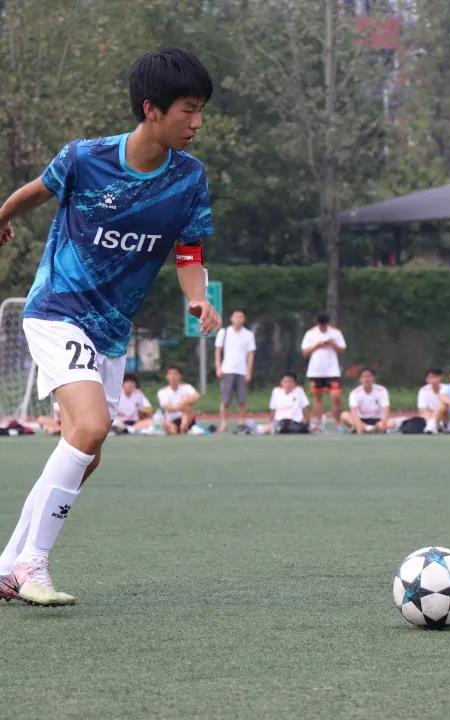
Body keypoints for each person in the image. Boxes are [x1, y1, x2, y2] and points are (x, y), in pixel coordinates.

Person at [0, 48, 220, 606]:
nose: (197, 123)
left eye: (201, 110)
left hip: (111, 332)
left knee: (86, 450)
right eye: (188, 110)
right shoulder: (85, 157)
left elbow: (189, 252)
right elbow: (38, 190)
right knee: (92, 426)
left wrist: (197, 298)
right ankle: (31, 566)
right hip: (57, 311)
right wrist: (1, 217)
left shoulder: (189, 179)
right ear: (151, 108)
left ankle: (5, 566)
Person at [301, 313, 347, 428]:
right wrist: (317, 345)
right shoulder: (310, 333)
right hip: (315, 371)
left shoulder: (336, 333)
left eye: (324, 325)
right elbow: (305, 353)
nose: (322, 327)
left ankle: (337, 424)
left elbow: (342, 350)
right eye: (321, 325)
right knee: (317, 398)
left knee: (336, 397)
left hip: (332, 371)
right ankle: (319, 424)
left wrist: (333, 344)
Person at [214, 309, 256, 433]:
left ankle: (241, 422)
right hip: (227, 369)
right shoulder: (224, 332)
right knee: (225, 399)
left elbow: (250, 354)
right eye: (236, 317)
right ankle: (223, 423)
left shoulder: (249, 334)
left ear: (244, 319)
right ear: (231, 319)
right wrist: (218, 367)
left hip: (242, 370)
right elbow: (218, 351)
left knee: (242, 400)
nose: (238, 319)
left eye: (241, 317)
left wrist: (249, 371)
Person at [341, 368, 394, 433]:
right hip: (361, 420)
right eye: (364, 377)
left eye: (369, 376)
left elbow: (386, 408)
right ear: (360, 379)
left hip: (378, 420)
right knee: (344, 415)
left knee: (391, 423)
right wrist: (358, 424)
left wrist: (383, 423)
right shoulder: (354, 393)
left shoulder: (382, 390)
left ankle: (372, 429)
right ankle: (366, 428)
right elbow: (353, 411)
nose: (367, 379)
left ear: (374, 378)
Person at [157, 366, 201, 435]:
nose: (173, 376)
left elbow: (196, 396)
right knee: (169, 427)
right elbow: (168, 407)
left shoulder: (187, 387)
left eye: (175, 374)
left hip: (187, 417)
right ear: (167, 377)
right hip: (171, 420)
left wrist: (185, 401)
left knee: (187, 411)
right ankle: (180, 429)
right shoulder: (162, 392)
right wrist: (183, 405)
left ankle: (184, 428)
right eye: (170, 374)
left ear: (180, 376)